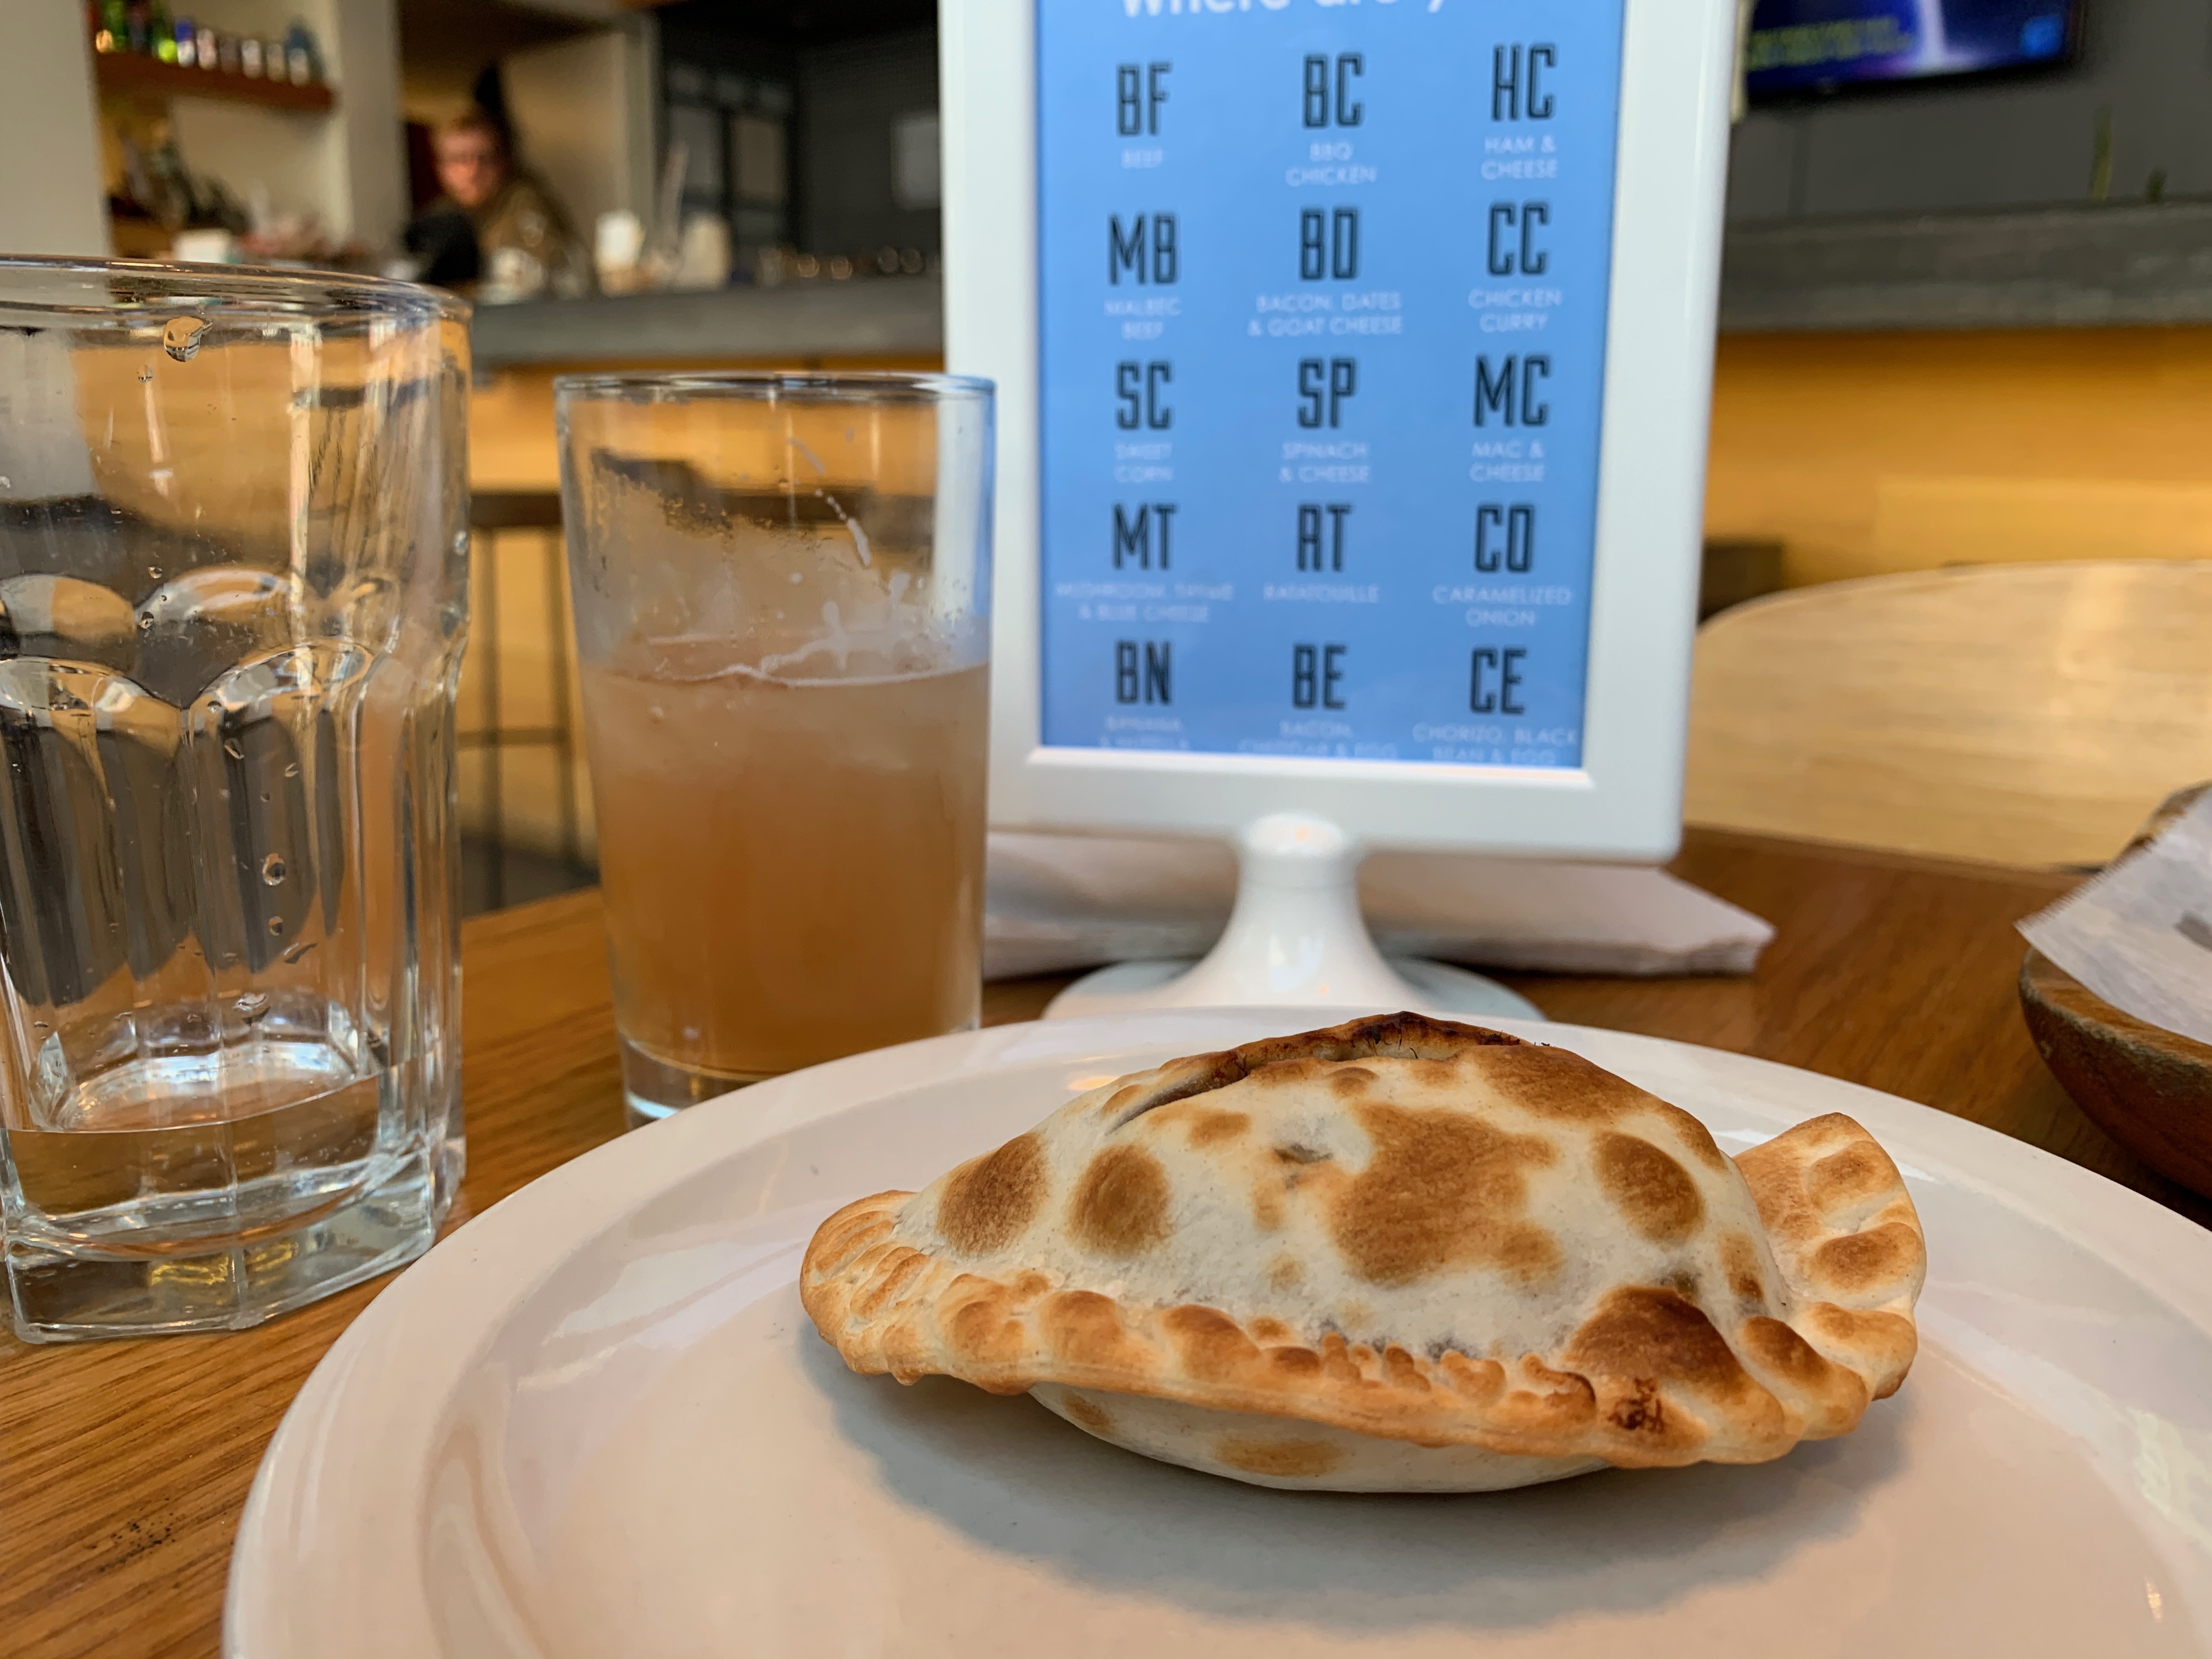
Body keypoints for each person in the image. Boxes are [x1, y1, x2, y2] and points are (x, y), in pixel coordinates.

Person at [415, 108, 584, 298]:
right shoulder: (440, 215)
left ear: (503, 161)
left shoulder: (526, 205)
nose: (472, 171)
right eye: (458, 159)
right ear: (440, 167)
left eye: (484, 159)